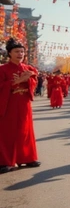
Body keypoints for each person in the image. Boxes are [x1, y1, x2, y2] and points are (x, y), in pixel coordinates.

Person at [0, 38, 40, 174]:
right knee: (8, 132)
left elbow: (34, 82)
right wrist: (18, 81)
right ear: (9, 53)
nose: (20, 54)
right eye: (17, 51)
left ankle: (27, 158)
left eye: (22, 51)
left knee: (25, 131)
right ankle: (5, 161)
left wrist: (30, 80)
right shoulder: (3, 70)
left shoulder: (28, 68)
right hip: (8, 105)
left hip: (24, 104)